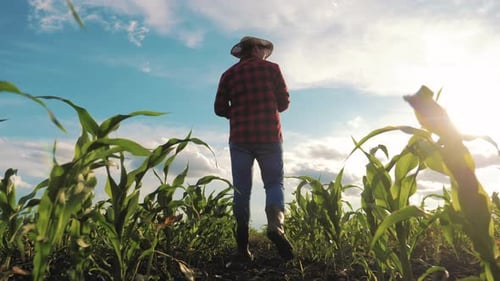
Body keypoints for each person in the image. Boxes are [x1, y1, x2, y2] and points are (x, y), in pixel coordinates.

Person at [214, 36, 294, 261]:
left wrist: (238, 113)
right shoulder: (272, 69)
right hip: (269, 135)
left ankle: (242, 249)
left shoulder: (228, 74)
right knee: (274, 183)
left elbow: (219, 108)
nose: (266, 54)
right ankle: (276, 227)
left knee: (241, 190)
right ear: (257, 49)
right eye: (264, 49)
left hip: (240, 138)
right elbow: (284, 102)